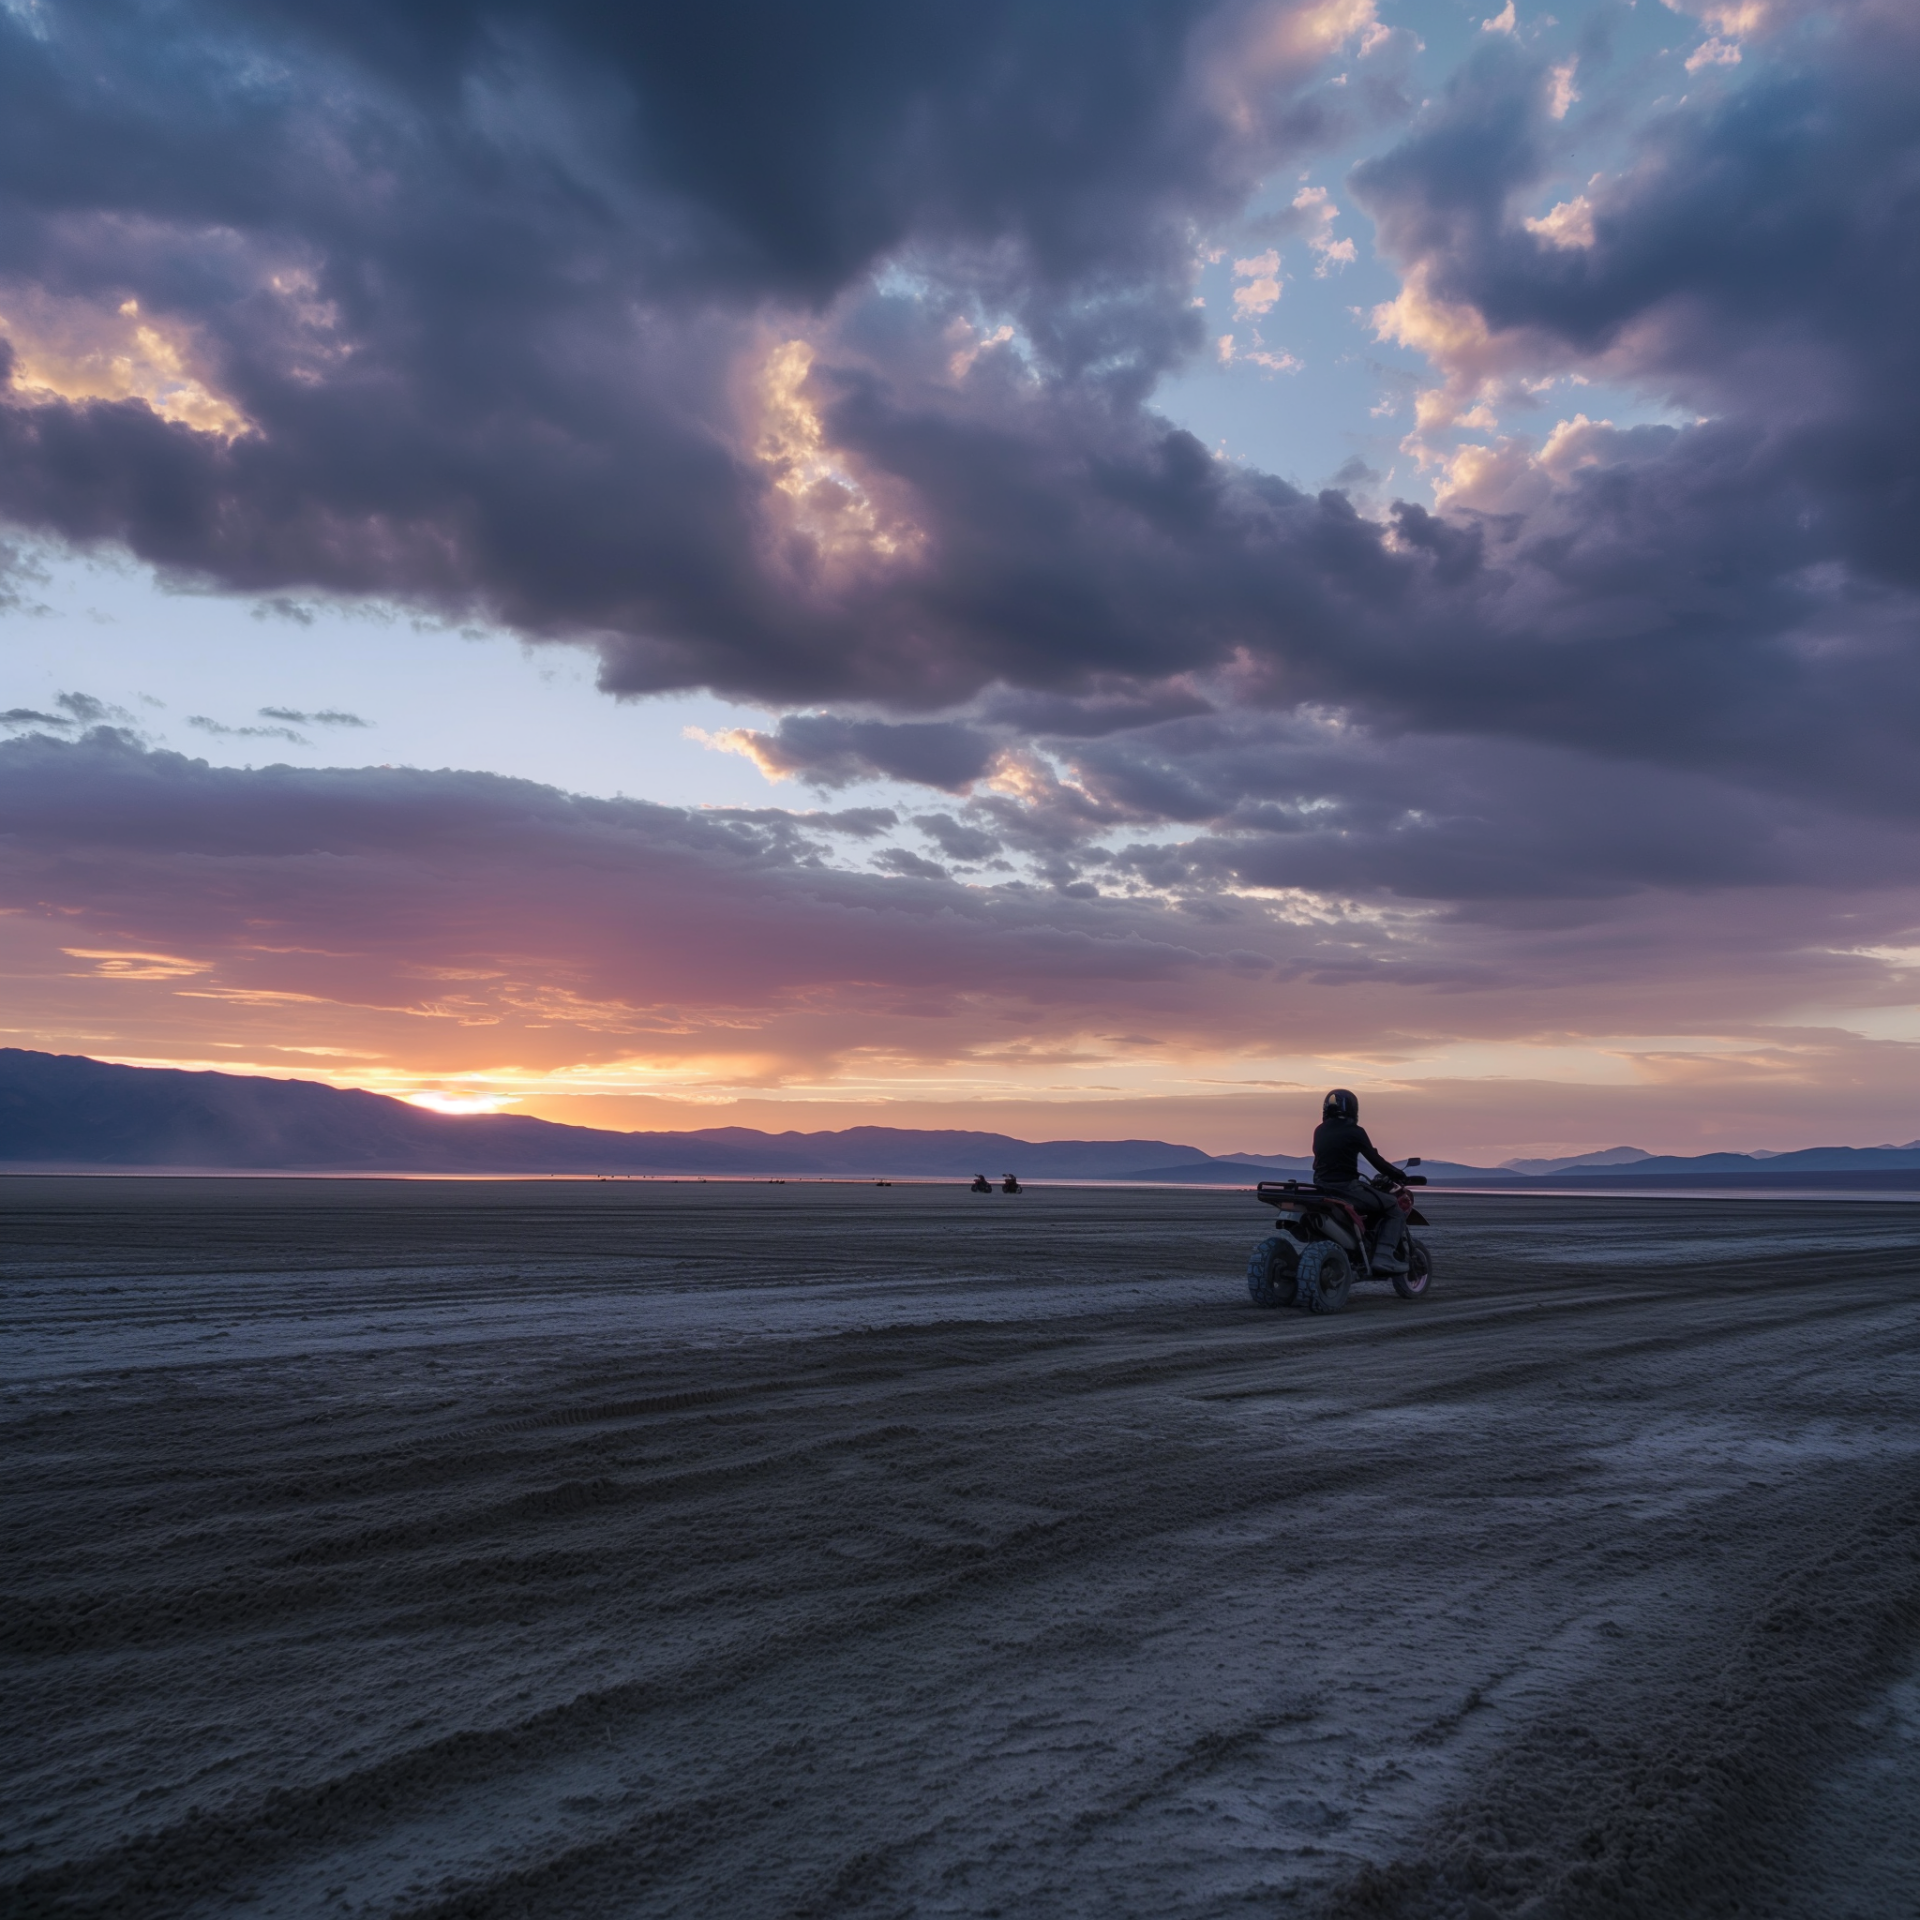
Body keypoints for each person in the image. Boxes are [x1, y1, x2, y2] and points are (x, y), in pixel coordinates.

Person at [1311, 1089, 1409, 1271]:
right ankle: (1383, 1256)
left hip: (1322, 1188)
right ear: (1352, 1108)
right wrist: (1397, 1174)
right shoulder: (1354, 1131)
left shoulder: (1320, 1130)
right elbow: (1374, 1160)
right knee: (1393, 1207)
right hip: (1346, 1188)